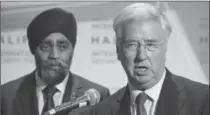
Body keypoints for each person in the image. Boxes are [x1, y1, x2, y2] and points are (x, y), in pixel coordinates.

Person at [69, 3, 209, 115]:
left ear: (165, 48)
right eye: (131, 45)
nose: (141, 56)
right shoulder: (101, 111)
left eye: (151, 45)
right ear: (118, 50)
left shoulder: (202, 100)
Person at [1, 8, 110, 115]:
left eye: (62, 47)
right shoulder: (6, 95)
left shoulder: (98, 97)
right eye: (45, 47)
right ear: (33, 50)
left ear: (72, 49)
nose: (54, 55)